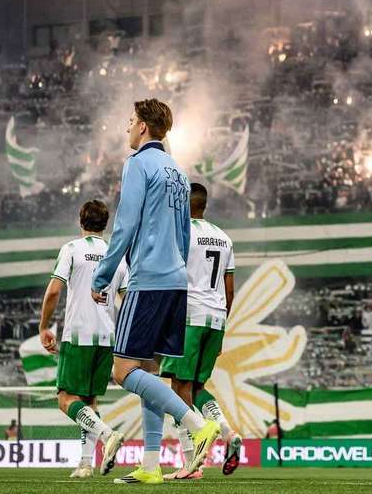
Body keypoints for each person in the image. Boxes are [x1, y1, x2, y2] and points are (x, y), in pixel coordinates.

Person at [91, 99, 219, 485]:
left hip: (148, 279)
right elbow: (184, 234)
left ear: (144, 127)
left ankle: (196, 424)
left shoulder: (137, 164)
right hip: (176, 279)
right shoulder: (179, 172)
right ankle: (150, 464)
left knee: (123, 370)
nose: (128, 128)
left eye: (131, 122)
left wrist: (103, 277)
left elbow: (124, 226)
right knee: (147, 369)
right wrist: (174, 268)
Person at [39, 200, 129, 478]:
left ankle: (107, 434)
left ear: (81, 221)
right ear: (105, 224)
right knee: (89, 401)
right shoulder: (117, 255)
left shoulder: (71, 250)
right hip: (107, 336)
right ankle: (86, 463)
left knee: (65, 398)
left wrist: (44, 326)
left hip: (79, 333)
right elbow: (125, 300)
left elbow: (54, 291)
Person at [160, 183, 242, 479]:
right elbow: (229, 290)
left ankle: (191, 463)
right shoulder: (224, 237)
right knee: (196, 387)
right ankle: (228, 433)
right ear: (204, 205)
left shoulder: (181, 233)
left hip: (188, 316)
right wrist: (221, 325)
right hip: (216, 317)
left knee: (178, 389)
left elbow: (170, 279)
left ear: (184, 203)